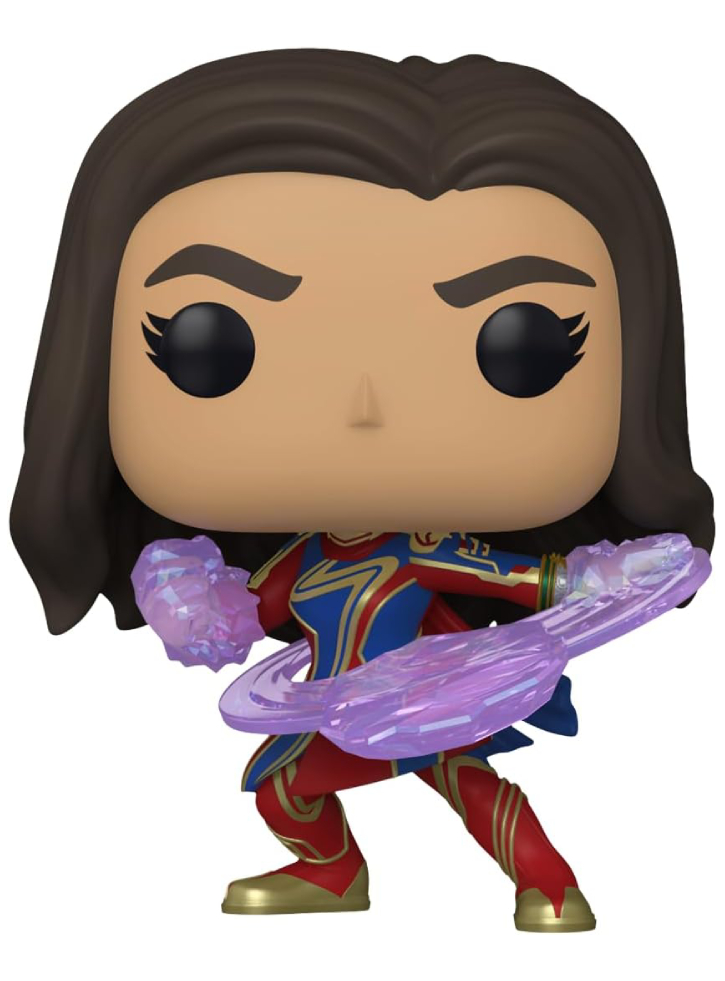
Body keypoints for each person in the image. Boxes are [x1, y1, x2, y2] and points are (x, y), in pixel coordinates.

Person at [11, 49, 713, 931]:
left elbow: (519, 580)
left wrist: (602, 579)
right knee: (291, 786)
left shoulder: (421, 551)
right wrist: (192, 601)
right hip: (337, 702)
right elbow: (255, 609)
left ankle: (544, 886)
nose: (364, 408)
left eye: (522, 346)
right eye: (212, 343)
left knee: (455, 779)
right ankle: (345, 874)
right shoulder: (305, 559)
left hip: (428, 692)